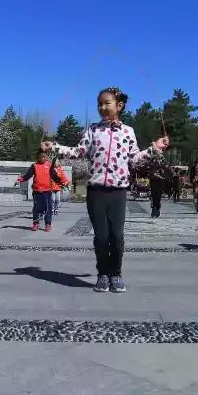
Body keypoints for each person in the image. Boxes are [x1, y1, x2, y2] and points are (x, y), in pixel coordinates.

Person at [44, 87, 168, 293]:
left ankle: (116, 274)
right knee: (101, 236)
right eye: (99, 104)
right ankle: (102, 273)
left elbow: (135, 159)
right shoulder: (93, 130)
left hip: (118, 192)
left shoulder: (128, 132)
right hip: (96, 192)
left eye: (106, 103)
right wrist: (54, 146)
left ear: (119, 106)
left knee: (117, 237)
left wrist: (153, 149)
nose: (102, 107)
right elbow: (78, 152)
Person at [15, 150, 62, 231]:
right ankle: (35, 223)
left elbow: (54, 176)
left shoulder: (50, 166)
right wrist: (21, 179)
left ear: (47, 157)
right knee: (37, 208)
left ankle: (48, 224)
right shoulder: (34, 166)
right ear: (38, 157)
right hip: (37, 191)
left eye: (45, 157)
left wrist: (62, 182)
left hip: (47, 191)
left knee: (48, 208)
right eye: (41, 157)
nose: (43, 158)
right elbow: (28, 175)